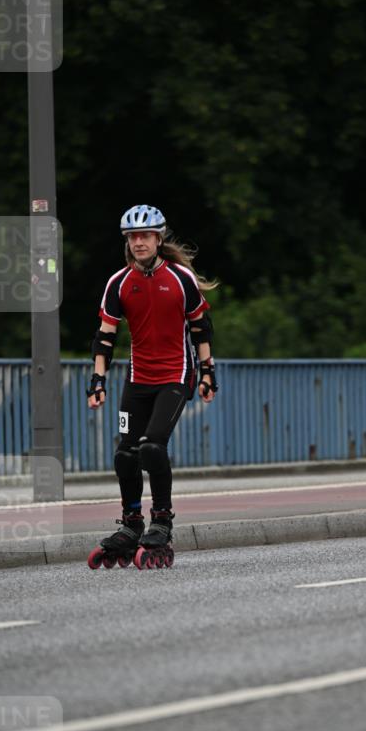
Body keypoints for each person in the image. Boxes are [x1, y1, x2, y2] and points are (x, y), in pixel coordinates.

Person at [86, 204, 218, 568]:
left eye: (145, 236)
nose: (139, 242)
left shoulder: (180, 279)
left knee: (152, 448)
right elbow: (104, 338)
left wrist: (208, 373)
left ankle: (161, 521)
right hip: (137, 378)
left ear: (159, 239)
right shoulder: (119, 283)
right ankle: (131, 524)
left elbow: (201, 328)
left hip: (175, 376)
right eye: (132, 237)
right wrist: (98, 379)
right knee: (125, 454)